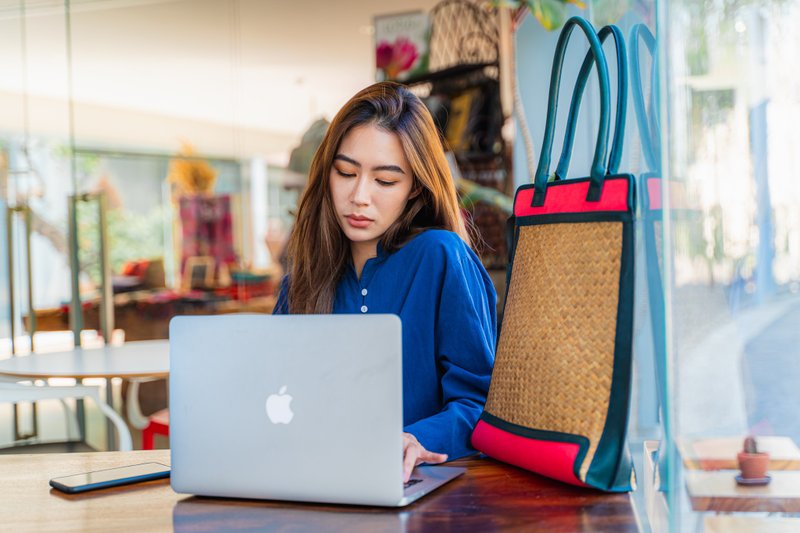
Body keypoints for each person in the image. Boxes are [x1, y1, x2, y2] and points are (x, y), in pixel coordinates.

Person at [273, 82, 496, 482]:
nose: (359, 196)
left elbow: (482, 403)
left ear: (415, 189)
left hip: (423, 495)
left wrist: (415, 438)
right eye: (345, 173)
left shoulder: (439, 256)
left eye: (386, 181)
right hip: (314, 486)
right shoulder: (301, 283)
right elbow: (275, 401)